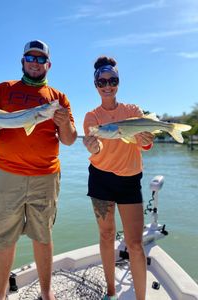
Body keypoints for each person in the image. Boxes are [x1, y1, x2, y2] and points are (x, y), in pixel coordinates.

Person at [0, 40, 77, 300]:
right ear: (22, 61)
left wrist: (63, 122)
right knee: (3, 238)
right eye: (30, 58)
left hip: (45, 177)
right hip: (5, 176)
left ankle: (46, 292)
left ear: (49, 64)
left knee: (43, 236)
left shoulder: (58, 98)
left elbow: (68, 139)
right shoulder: (4, 88)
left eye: (41, 59)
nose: (35, 62)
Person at [83, 56, 154, 300]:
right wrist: (93, 148)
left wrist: (146, 140)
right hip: (101, 179)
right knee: (106, 235)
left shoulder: (133, 111)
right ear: (96, 84)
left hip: (130, 181)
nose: (107, 85)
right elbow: (97, 148)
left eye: (112, 80)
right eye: (102, 81)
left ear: (118, 82)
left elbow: (146, 142)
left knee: (135, 244)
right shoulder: (91, 117)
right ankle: (111, 292)